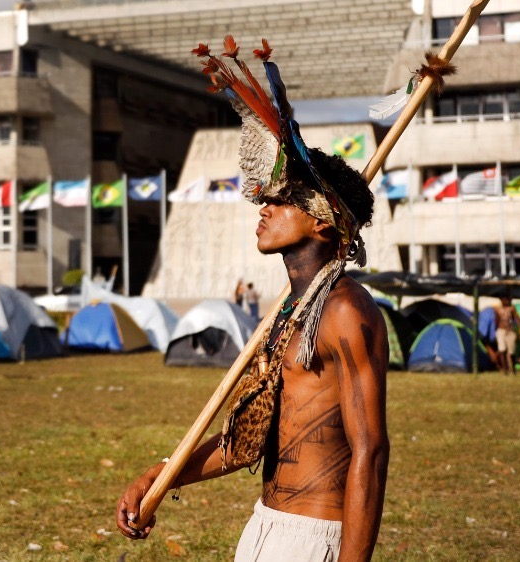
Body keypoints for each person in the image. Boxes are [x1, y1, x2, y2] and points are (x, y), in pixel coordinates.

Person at [117, 36, 390, 562]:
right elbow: (246, 442)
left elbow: (370, 452)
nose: (261, 208)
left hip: (317, 537)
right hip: (266, 528)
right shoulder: (289, 311)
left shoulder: (344, 311)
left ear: (320, 218)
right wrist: (159, 476)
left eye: (279, 199)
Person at [491, 294, 519, 376]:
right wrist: (496, 332)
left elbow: (516, 319)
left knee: (511, 351)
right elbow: (496, 321)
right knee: (502, 350)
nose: (506, 301)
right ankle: (505, 369)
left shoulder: (512, 309)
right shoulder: (497, 309)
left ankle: (513, 369)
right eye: (504, 299)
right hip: (501, 331)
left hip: (510, 331)